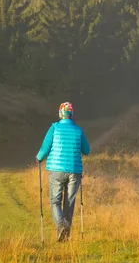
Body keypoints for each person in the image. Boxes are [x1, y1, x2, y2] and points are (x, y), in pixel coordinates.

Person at [36, 102, 90, 242]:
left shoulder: (54, 128)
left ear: (60, 114)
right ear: (71, 114)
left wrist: (39, 158)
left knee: (55, 202)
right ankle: (65, 235)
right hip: (74, 171)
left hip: (56, 169)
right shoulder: (78, 130)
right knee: (69, 203)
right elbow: (87, 151)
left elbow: (45, 148)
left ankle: (61, 227)